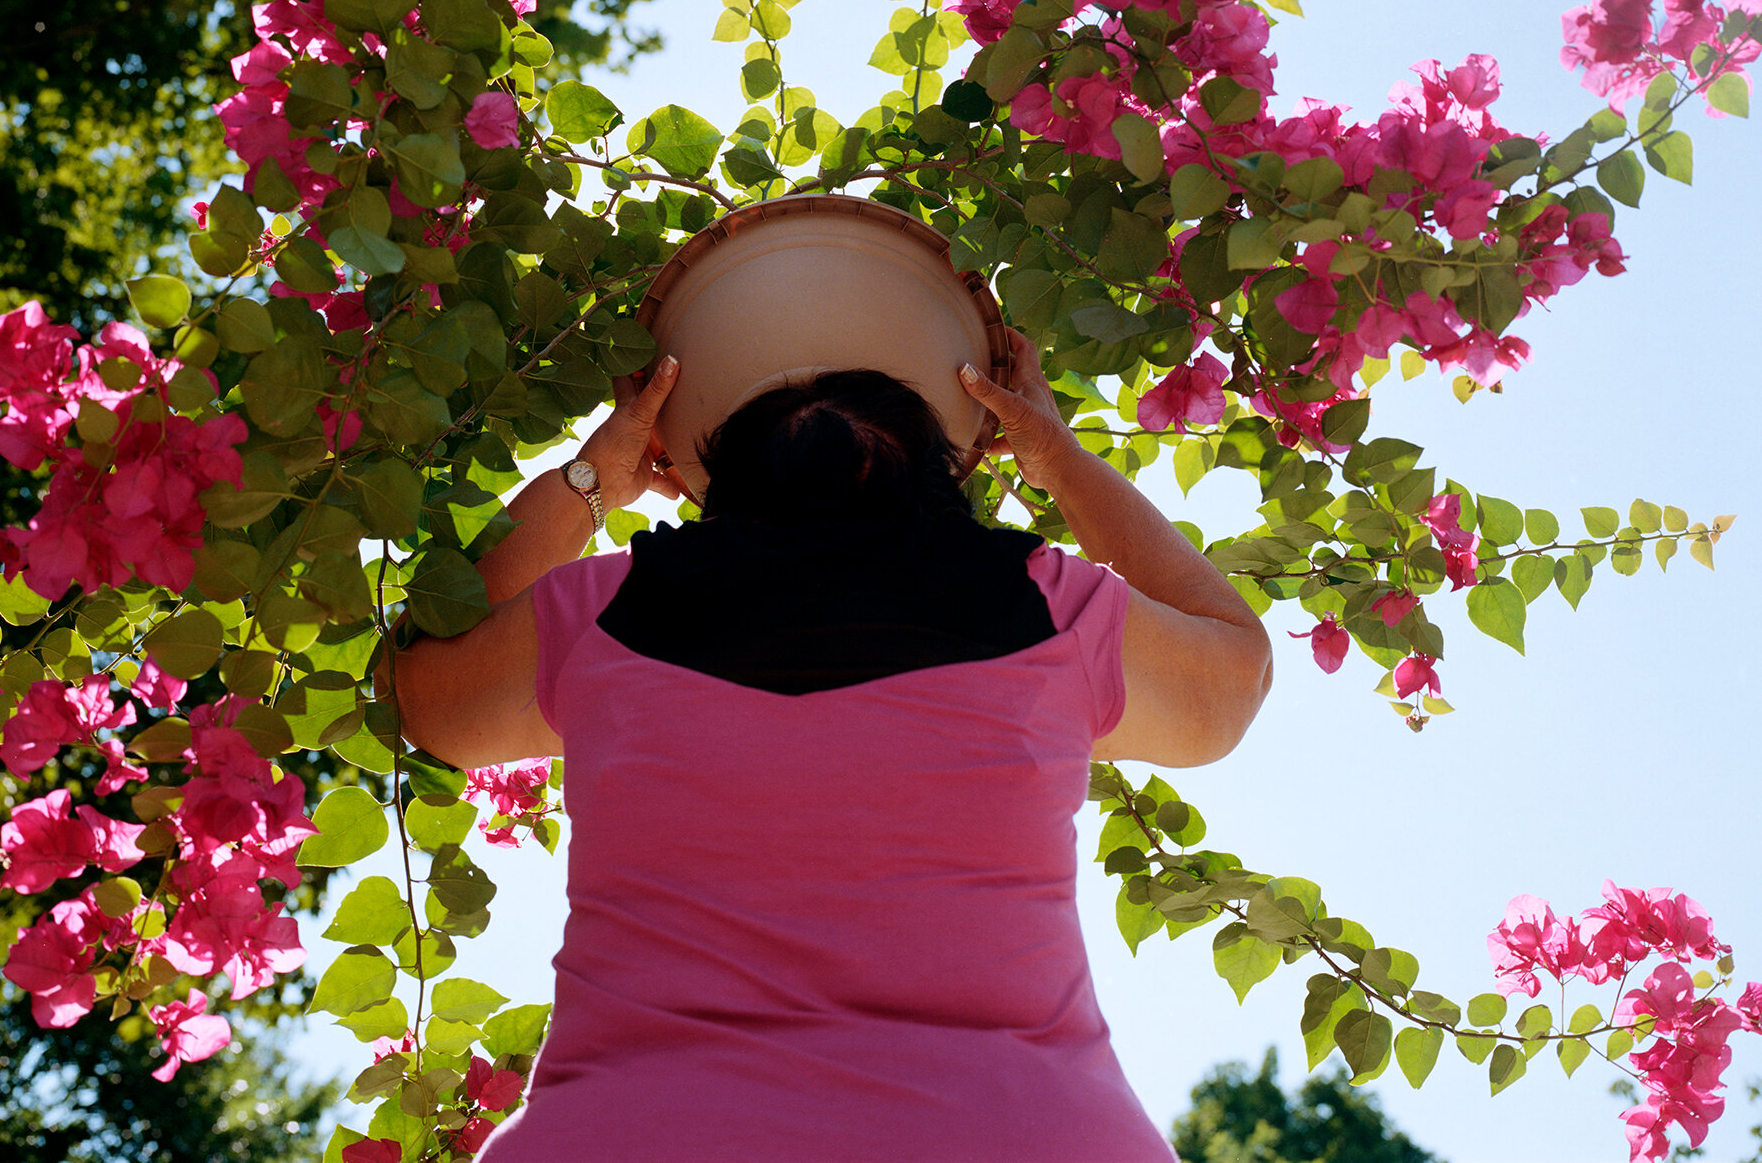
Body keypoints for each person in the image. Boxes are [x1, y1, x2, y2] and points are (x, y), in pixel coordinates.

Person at [388, 331, 1273, 1162]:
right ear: (950, 472)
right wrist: (1062, 462)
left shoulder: (604, 612)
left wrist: (592, 481)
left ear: (710, 482)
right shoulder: (1048, 607)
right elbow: (1236, 673)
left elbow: (421, 687)